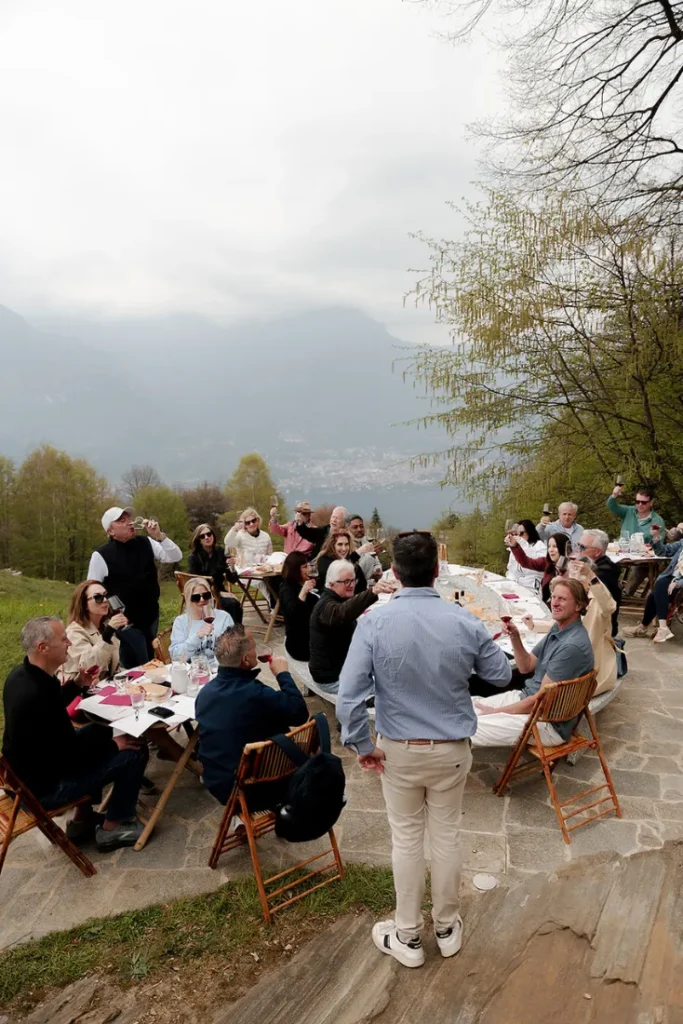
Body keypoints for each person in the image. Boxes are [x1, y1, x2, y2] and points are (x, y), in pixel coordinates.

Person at [336, 532, 511, 968]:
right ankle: (447, 928)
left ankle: (408, 934)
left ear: (393, 572)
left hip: (399, 750)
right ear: (436, 571)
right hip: (451, 748)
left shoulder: (374, 622)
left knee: (408, 840)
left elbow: (348, 698)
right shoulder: (462, 620)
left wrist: (362, 744)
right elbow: (500, 674)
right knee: (446, 836)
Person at [2, 617, 149, 850]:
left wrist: (78, 683)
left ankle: (82, 817)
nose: (69, 642)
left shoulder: (23, 675)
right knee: (134, 750)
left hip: (28, 778)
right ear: (43, 647)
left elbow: (53, 705)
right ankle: (114, 827)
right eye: (63, 639)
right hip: (44, 791)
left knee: (101, 731)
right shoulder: (33, 697)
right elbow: (71, 760)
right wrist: (114, 747)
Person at [472, 577, 594, 748]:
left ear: (578, 606)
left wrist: (495, 713)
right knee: (465, 707)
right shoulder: (559, 628)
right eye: (553, 597)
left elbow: (540, 702)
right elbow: (526, 666)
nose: (554, 603)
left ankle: (441, 767)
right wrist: (515, 637)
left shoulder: (571, 646)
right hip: (527, 700)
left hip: (546, 723)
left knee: (467, 729)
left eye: (562, 599)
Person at [195, 625, 309, 808]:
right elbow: (299, 714)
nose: (257, 652)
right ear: (246, 659)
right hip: (250, 789)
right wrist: (283, 675)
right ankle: (296, 807)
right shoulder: (255, 694)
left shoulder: (205, 693)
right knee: (312, 748)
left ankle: (243, 819)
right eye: (254, 648)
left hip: (218, 783)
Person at [87, 507, 182, 668]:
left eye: (128, 518)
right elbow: (90, 589)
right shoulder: (101, 555)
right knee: (141, 665)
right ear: (110, 531)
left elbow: (175, 556)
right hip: (125, 622)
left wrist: (159, 536)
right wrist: (104, 619)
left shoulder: (146, 542)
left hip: (151, 614)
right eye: (122, 521)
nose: (129, 522)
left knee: (150, 659)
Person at [308, 561, 390, 693]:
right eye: (346, 582)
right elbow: (342, 612)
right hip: (333, 679)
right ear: (331, 584)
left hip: (345, 669)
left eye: (353, 580)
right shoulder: (325, 607)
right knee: (392, 687)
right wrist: (373, 591)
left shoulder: (339, 599)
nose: (351, 585)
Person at [607, 484, 666, 596]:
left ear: (651, 503)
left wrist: (656, 537)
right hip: (623, 550)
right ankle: (611, 588)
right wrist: (614, 495)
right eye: (637, 501)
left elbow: (658, 546)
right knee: (606, 560)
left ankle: (626, 592)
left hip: (643, 555)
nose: (640, 505)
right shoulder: (629, 511)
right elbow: (612, 507)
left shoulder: (657, 520)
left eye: (643, 502)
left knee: (644, 566)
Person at [62, 580, 127, 681]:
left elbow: (112, 669)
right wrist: (106, 636)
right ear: (84, 605)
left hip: (106, 687)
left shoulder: (104, 626)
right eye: (98, 597)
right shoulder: (74, 633)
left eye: (106, 595)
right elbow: (89, 669)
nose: (105, 600)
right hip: (83, 693)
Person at [626, 527, 683, 643]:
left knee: (660, 584)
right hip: (672, 577)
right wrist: (656, 538)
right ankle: (646, 627)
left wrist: (678, 583)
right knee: (654, 594)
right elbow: (664, 551)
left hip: (680, 582)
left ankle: (660, 627)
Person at [187, 524, 243, 625]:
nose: (207, 537)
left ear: (213, 535)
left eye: (209, 534)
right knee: (231, 604)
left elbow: (232, 580)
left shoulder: (220, 552)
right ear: (199, 540)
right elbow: (196, 583)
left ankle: (236, 634)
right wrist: (218, 593)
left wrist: (232, 567)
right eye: (202, 536)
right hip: (203, 594)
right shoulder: (193, 557)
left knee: (235, 603)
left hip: (219, 590)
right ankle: (232, 634)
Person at [170, 578, 233, 661]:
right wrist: (197, 637)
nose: (202, 600)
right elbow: (175, 656)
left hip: (218, 670)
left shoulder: (224, 617)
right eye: (196, 597)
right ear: (188, 600)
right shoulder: (181, 622)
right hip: (191, 670)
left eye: (206, 595)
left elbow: (233, 650)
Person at [575, 529, 621, 636]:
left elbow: (586, 602)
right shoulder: (595, 566)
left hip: (599, 629)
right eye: (578, 545)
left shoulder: (603, 573)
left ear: (597, 552)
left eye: (582, 547)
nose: (577, 550)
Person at [506, 530, 572, 604]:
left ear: (564, 548)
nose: (551, 550)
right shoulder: (547, 562)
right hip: (544, 603)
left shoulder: (571, 570)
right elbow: (526, 562)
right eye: (549, 546)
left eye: (555, 546)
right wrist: (515, 546)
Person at [279, 551, 319, 663]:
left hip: (312, 636)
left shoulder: (305, 583)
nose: (309, 570)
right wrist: (304, 592)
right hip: (300, 646)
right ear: (295, 569)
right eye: (304, 567)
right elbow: (294, 615)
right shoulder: (287, 589)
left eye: (308, 566)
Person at [315, 529, 367, 595]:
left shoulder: (352, 564)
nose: (344, 548)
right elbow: (337, 570)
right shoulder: (324, 560)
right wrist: (356, 554)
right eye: (340, 544)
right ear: (333, 546)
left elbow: (363, 586)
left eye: (346, 544)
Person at [505, 520, 546, 590]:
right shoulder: (516, 548)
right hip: (516, 586)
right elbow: (511, 570)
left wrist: (523, 544)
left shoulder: (540, 546)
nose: (518, 536)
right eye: (515, 534)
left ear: (530, 532)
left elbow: (535, 564)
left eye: (521, 533)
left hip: (533, 588)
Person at [348, 514, 383, 584]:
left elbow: (376, 563)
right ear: (347, 529)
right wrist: (371, 555)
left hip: (369, 586)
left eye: (361, 526)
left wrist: (377, 570)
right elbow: (355, 571)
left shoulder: (367, 541)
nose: (359, 529)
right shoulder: (345, 545)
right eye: (355, 527)